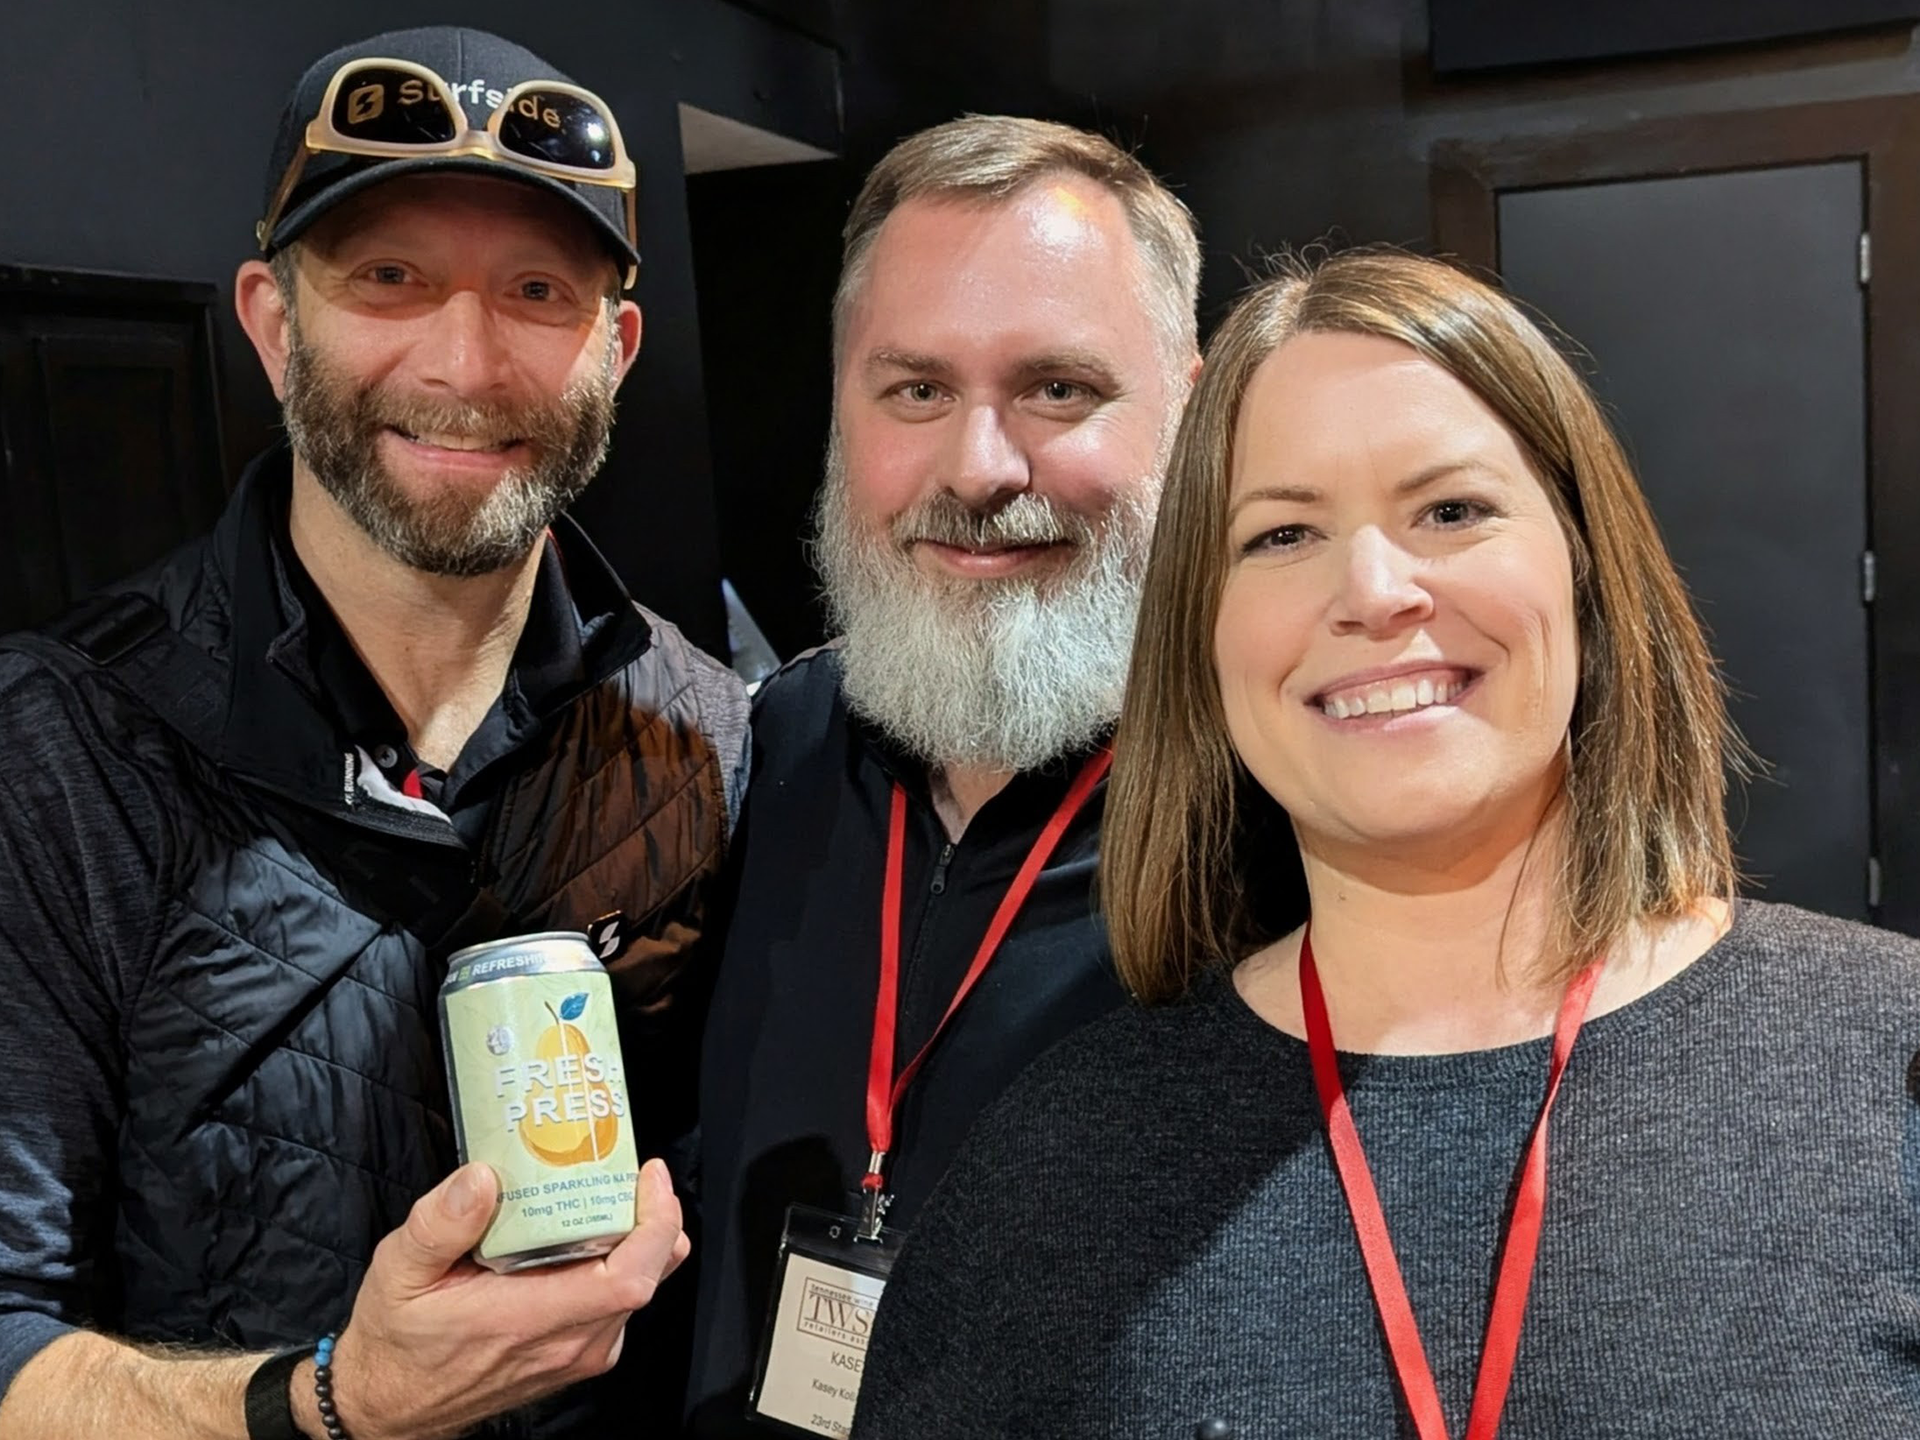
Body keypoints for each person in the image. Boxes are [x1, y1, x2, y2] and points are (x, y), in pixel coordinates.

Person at [853, 248, 1920, 1438]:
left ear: (1583, 566)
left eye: (1451, 511)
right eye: (1282, 535)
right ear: (1203, 638)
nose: (1372, 589)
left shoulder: (1890, 1062)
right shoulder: (1061, 1163)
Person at [0, 25, 748, 1440]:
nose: (465, 361)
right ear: (276, 326)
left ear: (617, 348)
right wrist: (335, 1405)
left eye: (538, 290)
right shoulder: (55, 747)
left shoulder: (705, 732)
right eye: (388, 278)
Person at [684, 115, 1201, 1435]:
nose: (980, 468)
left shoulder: (1298, 816)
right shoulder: (766, 750)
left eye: (1058, 391)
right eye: (915, 392)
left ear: (1191, 405)